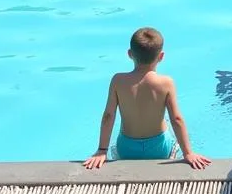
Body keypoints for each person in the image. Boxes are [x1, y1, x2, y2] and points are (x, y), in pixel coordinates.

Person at [83, 27, 210, 169]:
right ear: (161, 56)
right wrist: (188, 153)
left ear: (130, 54)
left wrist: (102, 150)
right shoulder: (166, 83)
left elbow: (108, 116)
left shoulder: (118, 81)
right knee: (167, 124)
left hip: (127, 149)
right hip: (159, 148)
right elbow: (177, 119)